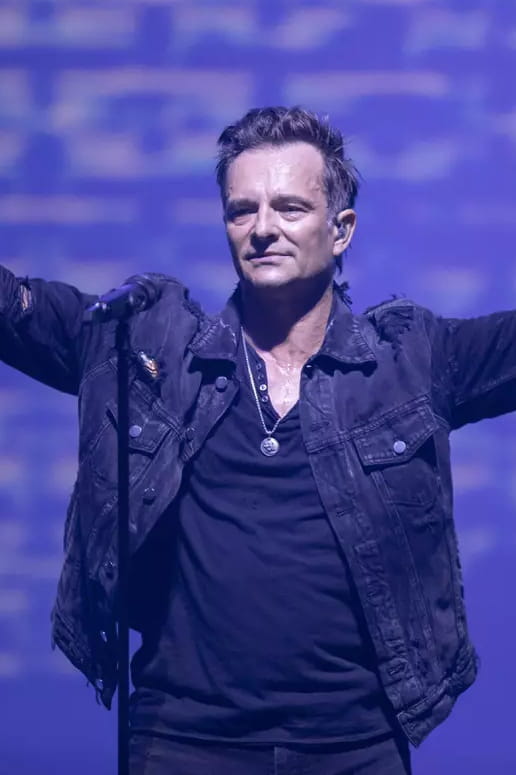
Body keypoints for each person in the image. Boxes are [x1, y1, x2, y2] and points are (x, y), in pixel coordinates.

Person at [1, 106, 515, 775]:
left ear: (341, 230)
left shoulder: (410, 360)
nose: (263, 228)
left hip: (355, 746)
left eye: (290, 207)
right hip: (182, 741)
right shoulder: (149, 347)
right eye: (242, 210)